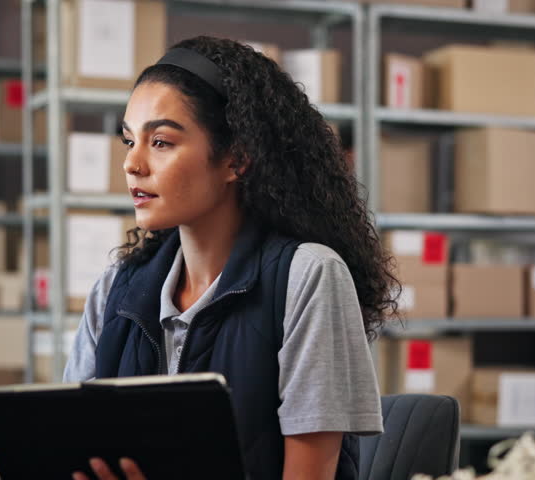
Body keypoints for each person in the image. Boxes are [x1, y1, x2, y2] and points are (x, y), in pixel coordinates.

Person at [64, 36, 399, 480]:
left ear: (236, 159)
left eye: (161, 142)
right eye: (129, 141)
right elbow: (70, 447)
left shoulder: (308, 276)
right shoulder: (115, 289)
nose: (132, 164)